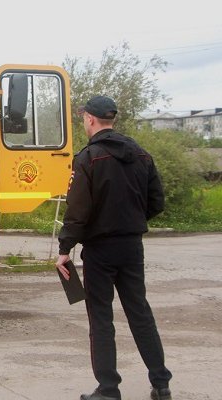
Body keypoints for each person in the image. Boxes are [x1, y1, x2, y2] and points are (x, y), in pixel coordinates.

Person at [55, 95, 173, 400]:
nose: (83, 122)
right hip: (132, 247)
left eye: (83, 118)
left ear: (91, 119)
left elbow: (78, 209)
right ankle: (161, 384)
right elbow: (156, 202)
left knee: (101, 318)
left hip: (100, 250)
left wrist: (65, 247)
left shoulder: (89, 157)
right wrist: (131, 220)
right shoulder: (141, 155)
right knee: (140, 313)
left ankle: (108, 390)